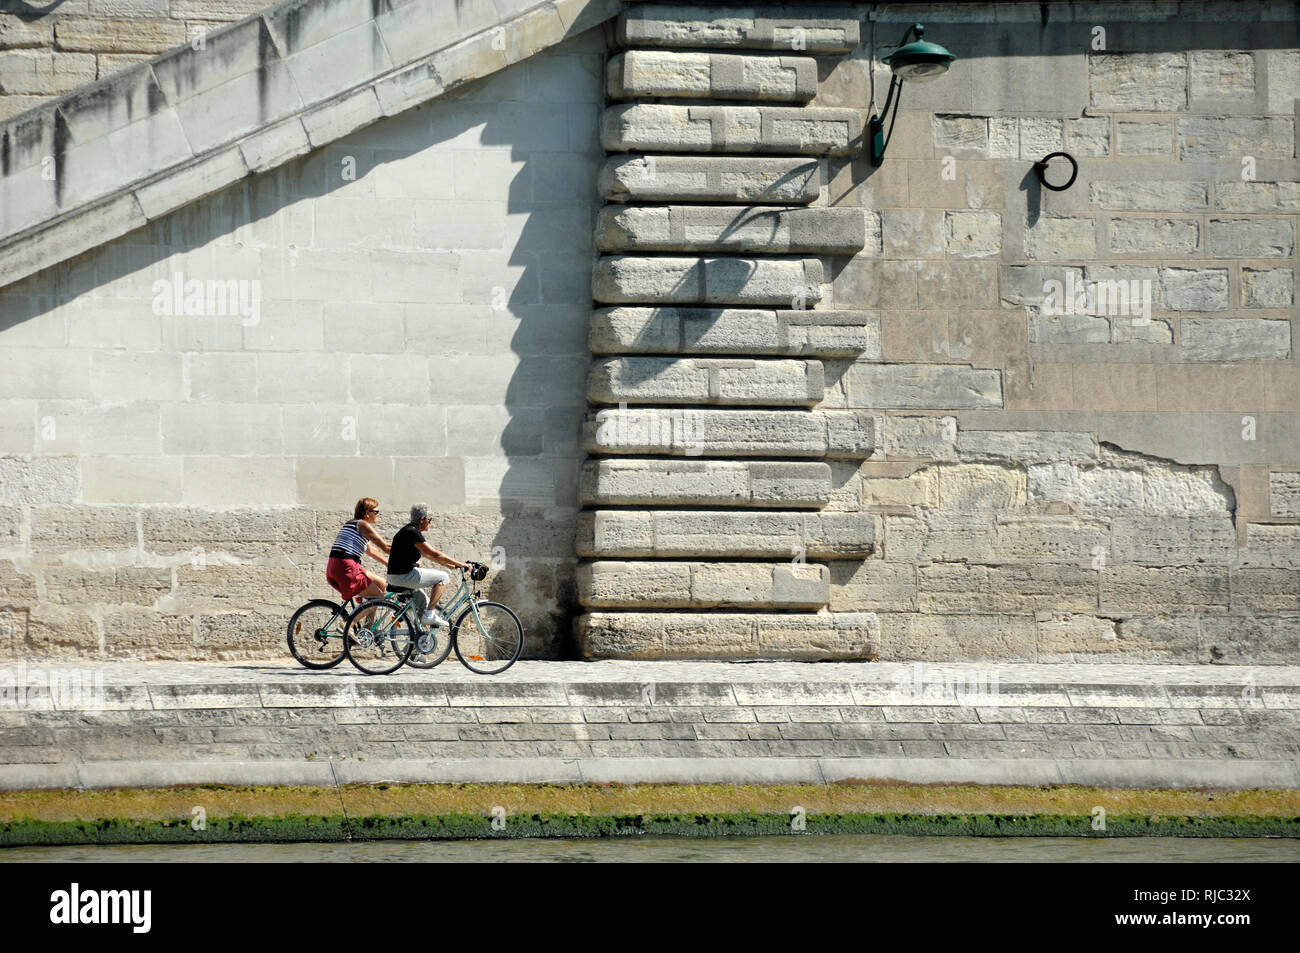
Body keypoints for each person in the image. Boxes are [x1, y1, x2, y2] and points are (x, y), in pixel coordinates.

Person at [386, 502, 471, 628]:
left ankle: (417, 642)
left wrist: (448, 564)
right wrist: (462, 564)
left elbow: (429, 555)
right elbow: (434, 554)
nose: (430, 522)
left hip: (397, 576)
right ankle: (430, 614)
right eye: (430, 520)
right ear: (422, 519)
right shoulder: (412, 532)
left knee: (423, 604)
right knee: (443, 577)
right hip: (403, 576)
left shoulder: (408, 531)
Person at [326, 498, 391, 603]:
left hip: (335, 567)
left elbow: (371, 551)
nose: (379, 514)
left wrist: (389, 564)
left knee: (381, 583)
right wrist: (407, 560)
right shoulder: (363, 525)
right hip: (346, 568)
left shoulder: (352, 524)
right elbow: (385, 547)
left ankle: (369, 620)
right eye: (376, 512)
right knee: (378, 598)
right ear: (367, 513)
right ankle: (351, 620)